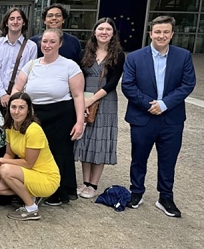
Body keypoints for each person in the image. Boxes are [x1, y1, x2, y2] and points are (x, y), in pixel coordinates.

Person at [122, 15, 196, 218]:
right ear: (150, 34)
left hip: (171, 118)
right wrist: (150, 105)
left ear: (172, 34)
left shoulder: (183, 56)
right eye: (157, 32)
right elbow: (127, 85)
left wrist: (164, 104)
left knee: (168, 159)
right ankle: (136, 192)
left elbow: (187, 84)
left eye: (165, 32)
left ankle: (165, 197)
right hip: (142, 117)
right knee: (139, 158)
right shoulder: (135, 57)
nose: (161, 35)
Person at [12, 28, 85, 205]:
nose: (48, 45)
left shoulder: (70, 66)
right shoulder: (31, 65)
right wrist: (17, 108)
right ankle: (29, 188)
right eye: (45, 41)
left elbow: (78, 96)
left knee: (58, 153)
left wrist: (80, 121)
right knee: (31, 152)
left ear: (60, 44)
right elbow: (16, 89)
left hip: (61, 116)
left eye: (52, 41)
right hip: (34, 116)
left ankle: (57, 193)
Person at [74, 18, 125, 199]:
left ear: (113, 34)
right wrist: (82, 101)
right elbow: (78, 77)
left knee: (100, 140)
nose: (104, 32)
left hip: (105, 100)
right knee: (86, 139)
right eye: (100, 29)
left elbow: (113, 82)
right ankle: (85, 181)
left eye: (108, 29)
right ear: (94, 32)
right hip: (85, 98)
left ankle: (93, 184)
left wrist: (92, 99)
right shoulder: (84, 53)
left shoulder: (118, 55)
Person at [0, 92, 60, 221]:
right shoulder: (11, 127)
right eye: (13, 107)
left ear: (28, 110)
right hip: (27, 173)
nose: (16, 112)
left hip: (46, 177)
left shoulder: (34, 130)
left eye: (21, 108)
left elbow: (29, 163)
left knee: (6, 170)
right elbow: (9, 154)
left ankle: (31, 208)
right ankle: (31, 195)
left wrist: (1, 162)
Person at [0, 7, 37, 109]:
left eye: (19, 18)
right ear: (6, 23)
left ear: (23, 23)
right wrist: (2, 94)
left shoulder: (31, 46)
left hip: (20, 97)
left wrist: (16, 95)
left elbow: (31, 73)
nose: (15, 21)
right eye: (12, 18)